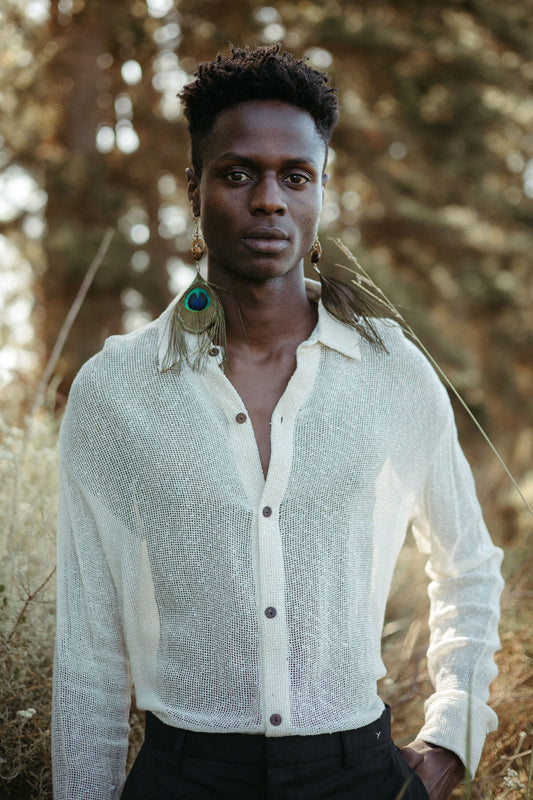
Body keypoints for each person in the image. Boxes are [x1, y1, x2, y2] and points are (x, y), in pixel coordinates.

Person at [52, 45, 504, 800]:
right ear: (192, 189)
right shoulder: (116, 391)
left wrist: (451, 737)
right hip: (184, 776)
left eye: (295, 176)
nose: (269, 200)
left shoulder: (390, 370)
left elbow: (466, 567)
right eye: (237, 174)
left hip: (357, 772)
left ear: (319, 191)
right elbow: (90, 652)